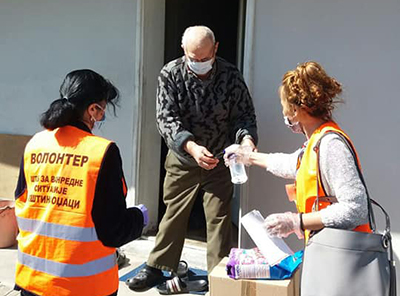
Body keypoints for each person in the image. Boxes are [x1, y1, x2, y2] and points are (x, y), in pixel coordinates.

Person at [127, 25, 258, 292]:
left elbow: (244, 116)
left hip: (221, 159)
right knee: (173, 213)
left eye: (205, 58)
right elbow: (166, 119)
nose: (199, 64)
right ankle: (158, 267)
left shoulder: (231, 76)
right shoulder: (171, 73)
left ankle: (220, 275)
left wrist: (246, 141)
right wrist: (192, 148)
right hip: (184, 158)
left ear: (216, 49)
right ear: (183, 51)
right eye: (193, 59)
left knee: (219, 219)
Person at [14, 69, 148, 296]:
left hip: (33, 281)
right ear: (93, 110)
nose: (101, 117)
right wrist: (139, 217)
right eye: (103, 109)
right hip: (85, 287)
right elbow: (113, 230)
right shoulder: (102, 152)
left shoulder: (35, 144)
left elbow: (22, 204)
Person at [224, 61, 370, 242]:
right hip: (328, 250)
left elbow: (355, 208)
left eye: (283, 105)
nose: (283, 111)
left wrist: (296, 221)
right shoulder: (316, 141)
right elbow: (291, 164)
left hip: (344, 258)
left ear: (294, 109)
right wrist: (247, 156)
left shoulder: (331, 145)